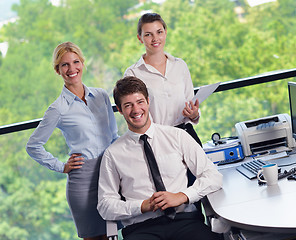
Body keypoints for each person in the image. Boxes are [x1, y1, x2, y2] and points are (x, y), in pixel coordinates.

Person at [97, 76, 223, 240]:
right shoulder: (112, 154)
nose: (136, 110)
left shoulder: (177, 136)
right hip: (141, 229)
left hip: (185, 222)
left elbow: (214, 177)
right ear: (120, 110)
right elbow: (105, 205)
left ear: (148, 102)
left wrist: (182, 196)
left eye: (140, 102)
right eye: (128, 105)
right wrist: (142, 206)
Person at [26, 42, 118, 240]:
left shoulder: (101, 95)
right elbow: (33, 146)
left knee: (119, 232)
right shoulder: (58, 109)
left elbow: (113, 136)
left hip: (111, 173)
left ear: (82, 64)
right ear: (57, 70)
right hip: (83, 182)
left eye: (76, 62)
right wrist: (61, 166)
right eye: (64, 65)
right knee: (96, 237)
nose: (71, 69)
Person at [123, 12, 202, 145]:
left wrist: (194, 114)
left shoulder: (180, 65)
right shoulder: (133, 73)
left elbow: (190, 101)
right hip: (158, 140)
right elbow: (135, 114)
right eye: (148, 34)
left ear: (165, 32)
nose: (155, 38)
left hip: (187, 134)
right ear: (140, 38)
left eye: (159, 32)